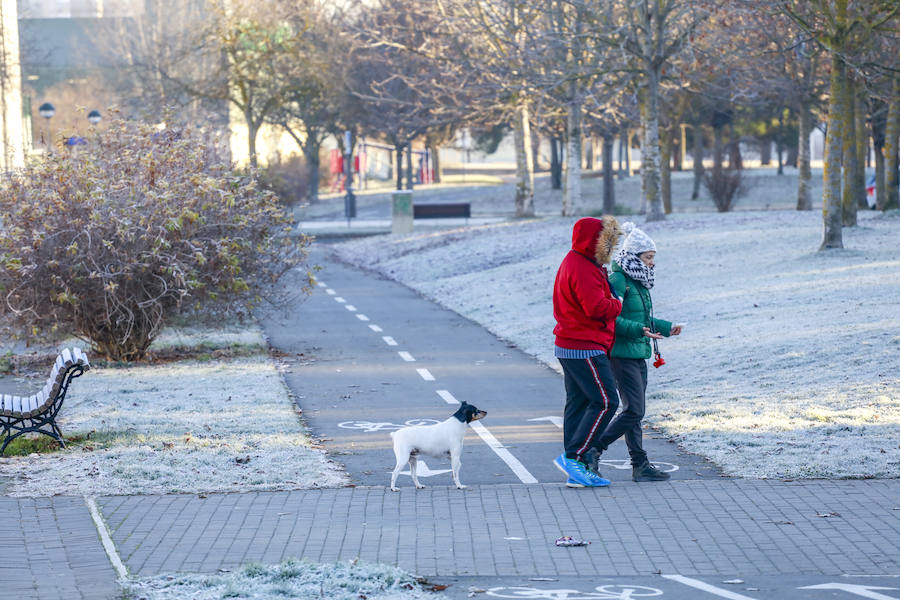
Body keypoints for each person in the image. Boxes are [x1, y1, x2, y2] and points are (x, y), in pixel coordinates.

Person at [587, 222, 682, 482]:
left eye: (653, 258)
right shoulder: (618, 279)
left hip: (638, 352)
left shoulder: (639, 281)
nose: (652, 263)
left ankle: (640, 465)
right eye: (648, 257)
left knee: (634, 412)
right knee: (634, 411)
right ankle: (595, 449)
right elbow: (610, 318)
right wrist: (640, 330)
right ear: (634, 256)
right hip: (620, 354)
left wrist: (666, 327)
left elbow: (641, 317)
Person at [552, 216, 624, 488]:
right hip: (584, 345)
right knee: (606, 401)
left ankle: (575, 470)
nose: (610, 248)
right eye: (607, 242)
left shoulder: (581, 261)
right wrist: (618, 303)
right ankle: (575, 457)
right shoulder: (582, 266)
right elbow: (596, 308)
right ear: (595, 242)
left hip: (572, 343)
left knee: (579, 403)